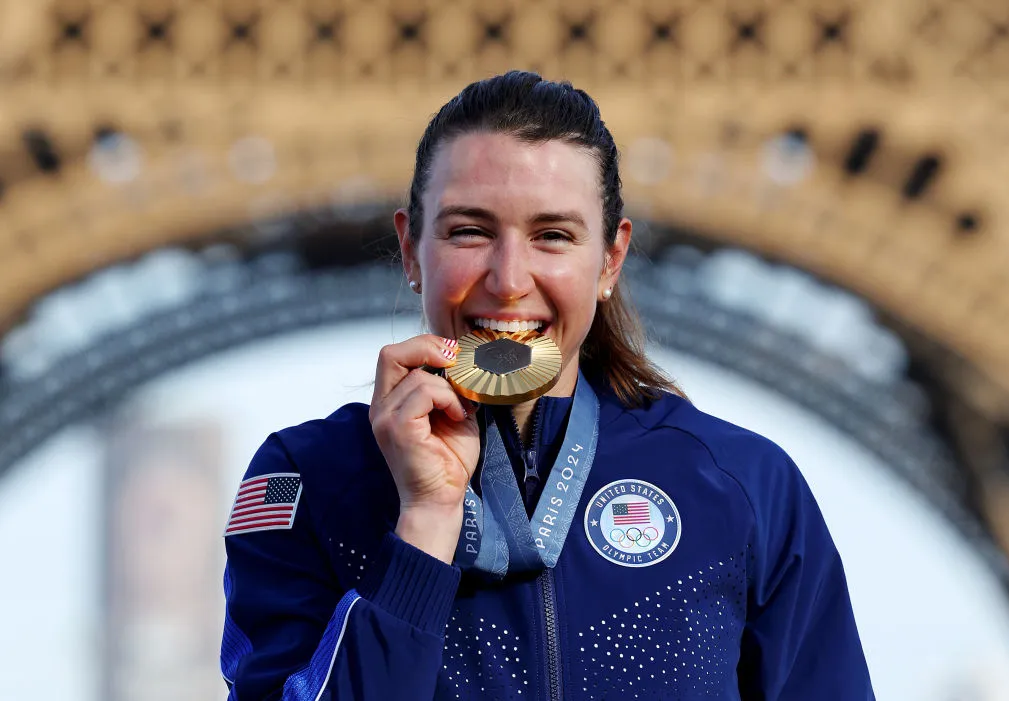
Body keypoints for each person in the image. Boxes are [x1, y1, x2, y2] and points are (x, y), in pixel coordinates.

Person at [220, 71, 875, 700]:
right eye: (469, 231)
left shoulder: (746, 485)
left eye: (553, 235)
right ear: (410, 246)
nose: (508, 278)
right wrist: (424, 525)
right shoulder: (309, 480)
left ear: (610, 258)